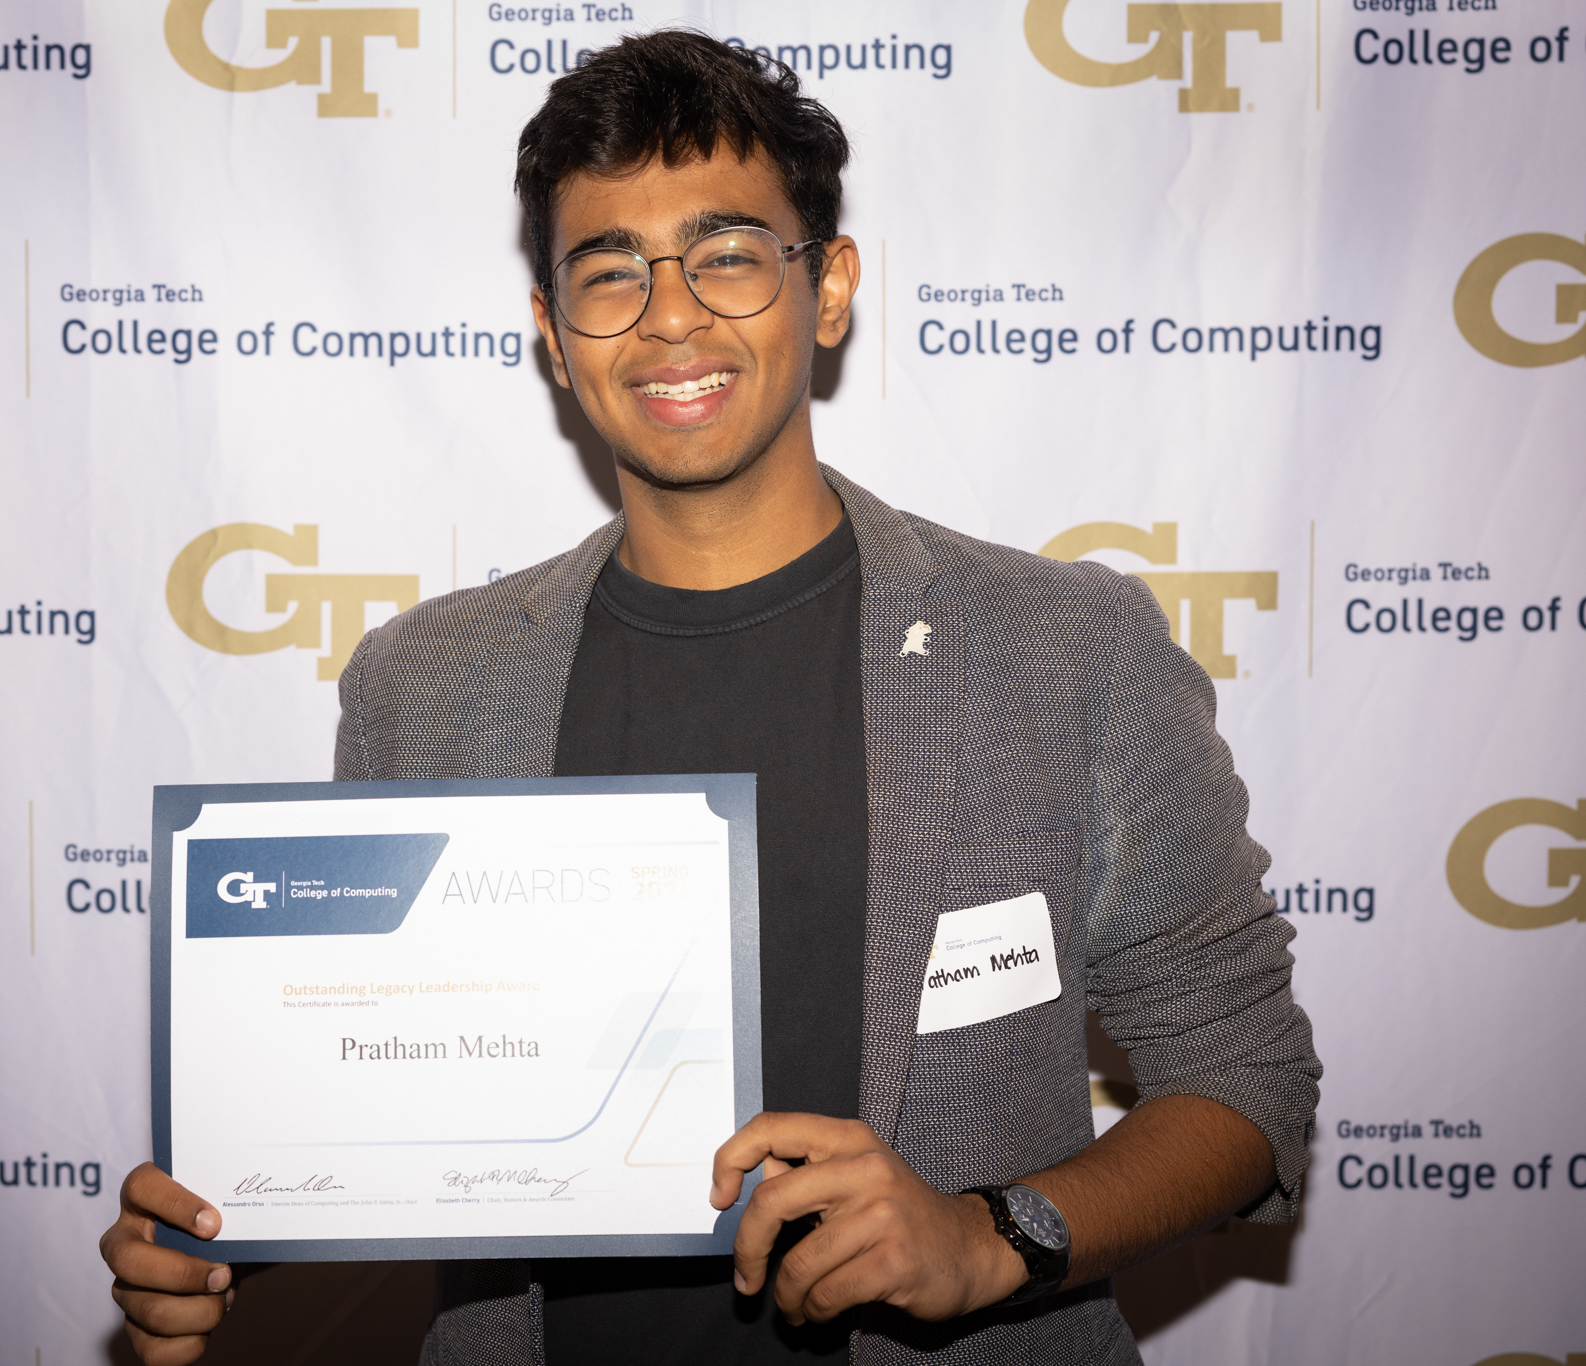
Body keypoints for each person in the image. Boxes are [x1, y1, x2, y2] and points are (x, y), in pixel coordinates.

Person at [101, 30, 1321, 1365]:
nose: (671, 315)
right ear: (555, 339)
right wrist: (224, 1235)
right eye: (610, 273)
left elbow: (1244, 1073)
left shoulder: (1064, 648)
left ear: (831, 286)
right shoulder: (425, 685)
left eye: (729, 254)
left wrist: (991, 1237)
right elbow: (398, 1104)